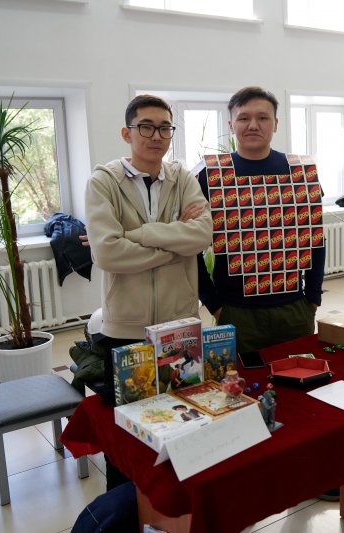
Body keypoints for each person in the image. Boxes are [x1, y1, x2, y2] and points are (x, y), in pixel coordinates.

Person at [85, 94, 212, 489]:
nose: (156, 135)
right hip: (126, 328)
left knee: (182, 419)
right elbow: (107, 252)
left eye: (164, 128)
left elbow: (202, 235)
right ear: (127, 133)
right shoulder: (103, 182)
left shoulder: (182, 178)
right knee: (129, 431)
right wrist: (174, 243)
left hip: (180, 325)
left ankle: (175, 506)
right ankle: (125, 507)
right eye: (146, 126)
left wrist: (138, 235)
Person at [196, 86, 325, 353]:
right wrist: (214, 304)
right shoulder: (209, 176)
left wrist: (312, 297)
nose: (253, 125)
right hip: (235, 311)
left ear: (275, 123)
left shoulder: (300, 172)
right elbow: (191, 247)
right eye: (244, 118)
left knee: (299, 376)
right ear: (231, 125)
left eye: (262, 117)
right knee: (239, 379)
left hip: (294, 308)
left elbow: (315, 238)